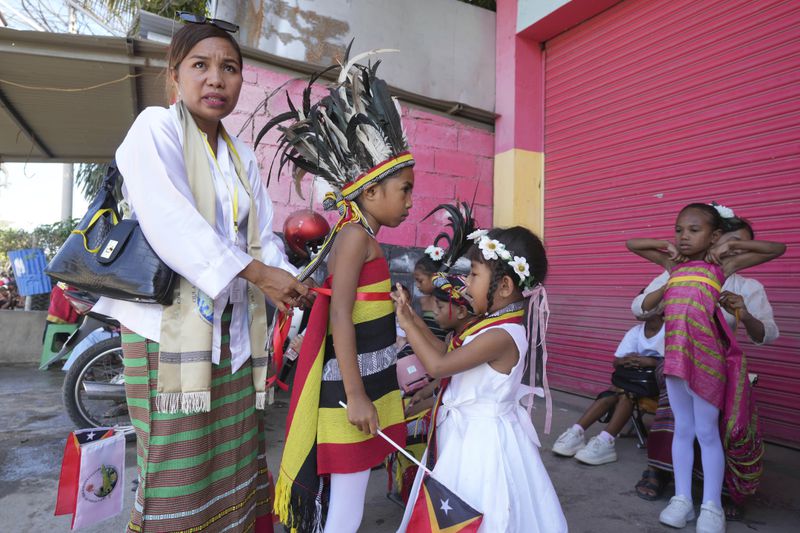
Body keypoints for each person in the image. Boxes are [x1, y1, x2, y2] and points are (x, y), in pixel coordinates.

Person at [91, 14, 307, 533]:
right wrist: (260, 274)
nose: (216, 79)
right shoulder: (154, 129)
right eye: (201, 65)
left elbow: (263, 238)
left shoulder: (242, 158)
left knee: (230, 458)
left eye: (229, 68)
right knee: (177, 462)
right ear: (175, 76)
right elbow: (174, 225)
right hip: (168, 337)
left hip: (230, 337)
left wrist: (290, 283)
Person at [262, 52, 415, 533]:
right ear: (370, 193)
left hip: (370, 381)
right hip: (352, 389)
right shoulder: (353, 238)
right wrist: (355, 394)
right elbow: (341, 317)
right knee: (346, 505)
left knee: (350, 497)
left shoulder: (363, 236)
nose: (411, 201)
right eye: (404, 190)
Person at [395, 226, 567, 533]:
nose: (466, 283)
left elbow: (438, 366)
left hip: (482, 444)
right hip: (467, 433)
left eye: (474, 275)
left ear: (503, 286)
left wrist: (407, 324)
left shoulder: (502, 335)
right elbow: (448, 356)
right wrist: (413, 319)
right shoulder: (491, 325)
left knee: (475, 509)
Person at [627, 203, 785, 532]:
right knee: (682, 430)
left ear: (714, 237)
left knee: (707, 433)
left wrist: (733, 245)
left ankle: (712, 505)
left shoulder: (722, 267)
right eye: (679, 230)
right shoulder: (673, 264)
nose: (684, 237)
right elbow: (632, 245)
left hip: (709, 364)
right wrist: (667, 246)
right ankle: (682, 499)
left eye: (693, 231)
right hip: (674, 360)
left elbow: (776, 249)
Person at [553, 304, 664, 465]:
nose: (640, 308)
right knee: (615, 392)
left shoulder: (671, 331)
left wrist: (652, 362)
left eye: (646, 303)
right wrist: (627, 360)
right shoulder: (636, 332)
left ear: (659, 308)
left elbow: (676, 362)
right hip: (636, 383)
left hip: (659, 389)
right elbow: (617, 361)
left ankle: (605, 440)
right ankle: (577, 432)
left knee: (625, 394)